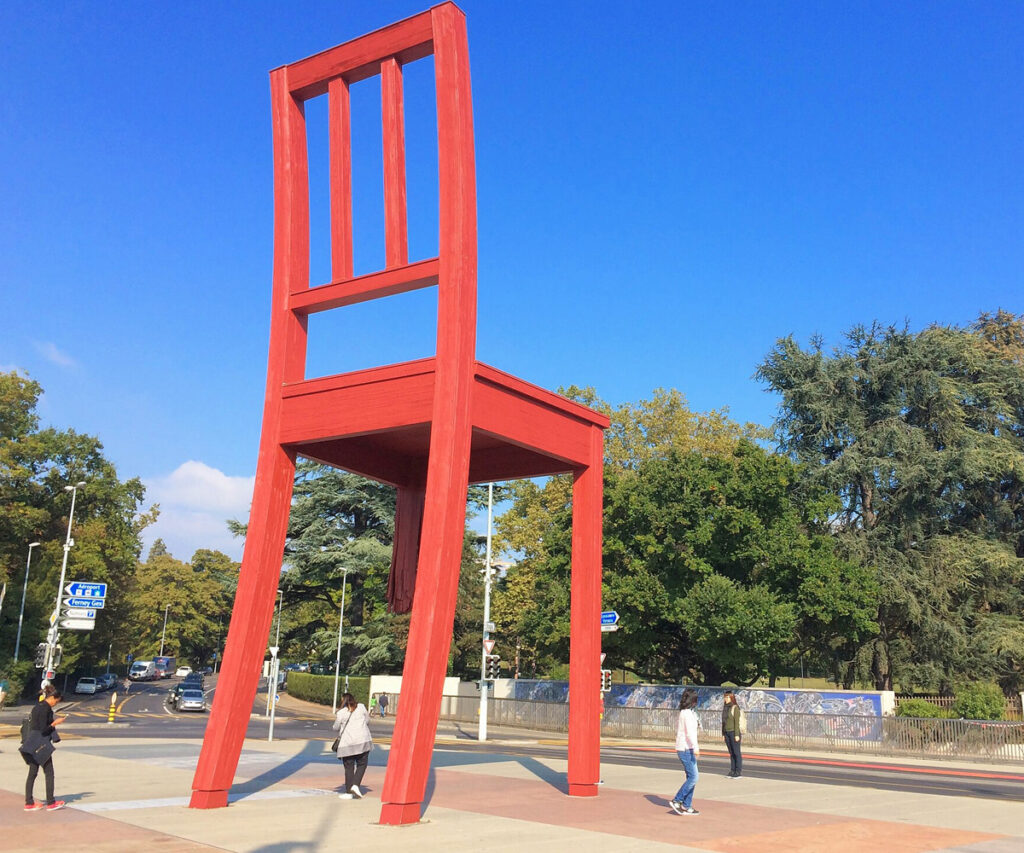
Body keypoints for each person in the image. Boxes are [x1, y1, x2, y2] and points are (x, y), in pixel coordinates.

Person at [20, 685, 67, 812]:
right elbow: (43, 730)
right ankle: (51, 802)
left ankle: (29, 803)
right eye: (56, 701)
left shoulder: (37, 707)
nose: (55, 704)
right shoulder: (46, 709)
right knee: (49, 772)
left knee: (32, 773)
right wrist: (54, 724)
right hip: (41, 744)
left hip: (31, 743)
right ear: (52, 697)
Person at [333, 692, 373, 799]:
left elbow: (335, 727)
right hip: (362, 741)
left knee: (349, 767)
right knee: (362, 764)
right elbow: (368, 720)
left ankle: (349, 792)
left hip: (347, 744)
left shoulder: (341, 713)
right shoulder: (361, 707)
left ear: (344, 701)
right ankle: (355, 785)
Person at [669, 688, 700, 816]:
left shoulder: (689, 713)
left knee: (691, 777)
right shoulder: (686, 714)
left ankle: (686, 805)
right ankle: (677, 800)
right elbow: (690, 733)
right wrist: (696, 747)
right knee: (694, 777)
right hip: (686, 748)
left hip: (687, 747)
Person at [721, 690, 745, 778]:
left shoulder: (735, 708)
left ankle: (738, 771)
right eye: (725, 697)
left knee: (736, 752)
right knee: (731, 752)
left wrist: (737, 734)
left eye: (727, 697)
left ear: (731, 698)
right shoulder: (725, 708)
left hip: (734, 732)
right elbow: (723, 722)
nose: (725, 699)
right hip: (727, 732)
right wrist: (723, 733)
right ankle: (732, 770)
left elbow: (736, 722)